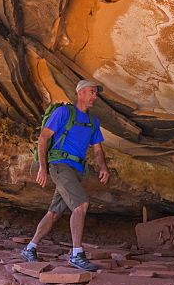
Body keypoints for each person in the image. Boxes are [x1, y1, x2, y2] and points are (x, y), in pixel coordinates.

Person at [21, 80, 110, 271]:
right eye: (91, 92)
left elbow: (97, 150)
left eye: (96, 93)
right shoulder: (63, 113)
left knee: (54, 213)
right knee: (81, 205)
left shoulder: (93, 121)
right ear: (80, 93)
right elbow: (43, 138)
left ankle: (30, 248)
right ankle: (76, 254)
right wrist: (43, 168)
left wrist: (103, 167)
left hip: (76, 170)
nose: (95, 96)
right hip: (60, 165)